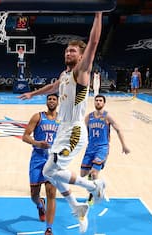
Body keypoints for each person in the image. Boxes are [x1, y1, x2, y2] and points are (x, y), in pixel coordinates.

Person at [18, 12, 105, 234]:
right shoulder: (65, 74)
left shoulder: (81, 71)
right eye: (67, 50)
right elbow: (53, 87)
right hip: (64, 131)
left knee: (51, 170)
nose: (68, 52)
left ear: (82, 55)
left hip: (74, 130)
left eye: (73, 50)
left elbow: (94, 41)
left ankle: (94, 186)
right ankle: (78, 206)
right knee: (49, 172)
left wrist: (98, 14)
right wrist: (33, 94)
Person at [81, 94, 130, 204]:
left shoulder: (108, 116)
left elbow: (118, 129)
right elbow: (85, 133)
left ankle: (92, 195)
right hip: (90, 148)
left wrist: (124, 145)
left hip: (102, 148)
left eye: (100, 101)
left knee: (94, 173)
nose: (98, 102)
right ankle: (98, 184)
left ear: (104, 103)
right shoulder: (88, 117)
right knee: (83, 174)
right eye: (96, 100)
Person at [22, 94, 59, 235]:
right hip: (37, 158)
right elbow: (25, 136)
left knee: (51, 192)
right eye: (49, 99)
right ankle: (39, 204)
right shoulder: (38, 117)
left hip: (53, 160)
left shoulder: (62, 120)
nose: (51, 101)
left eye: (54, 99)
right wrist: (38, 143)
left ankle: (49, 228)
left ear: (58, 102)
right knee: (34, 195)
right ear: (46, 102)